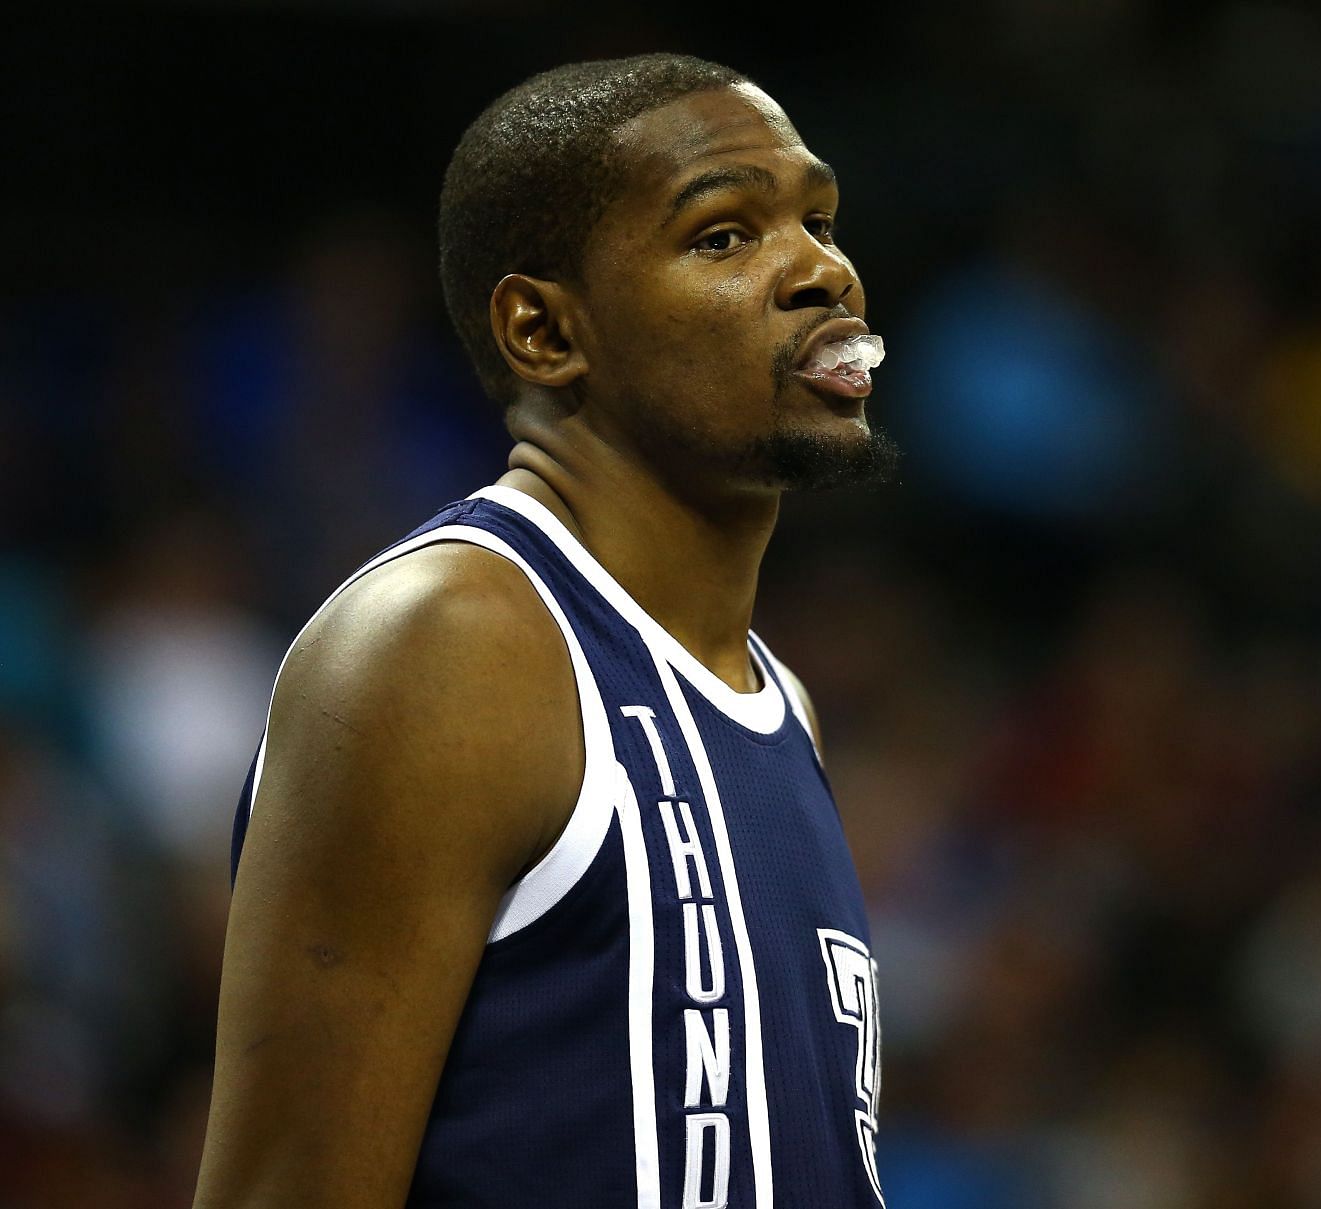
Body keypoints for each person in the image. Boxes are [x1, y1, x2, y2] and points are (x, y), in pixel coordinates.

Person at [193, 53, 897, 1209]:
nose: (822, 269)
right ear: (542, 330)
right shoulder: (451, 643)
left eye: (819, 219)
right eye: (725, 235)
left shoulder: (780, 698)